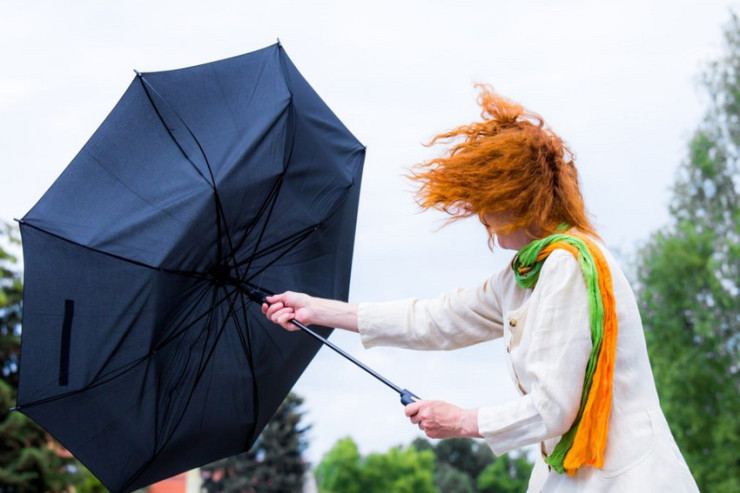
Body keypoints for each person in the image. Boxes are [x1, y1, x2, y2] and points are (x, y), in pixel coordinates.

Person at [262, 86, 699, 492]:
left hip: (627, 479)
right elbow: (435, 319)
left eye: (484, 199)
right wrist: (318, 310)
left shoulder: (567, 265)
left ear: (518, 196)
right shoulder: (526, 273)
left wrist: (463, 421)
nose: (478, 214)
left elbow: (553, 408)